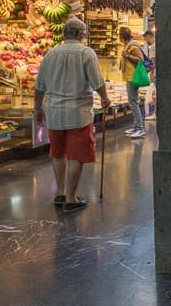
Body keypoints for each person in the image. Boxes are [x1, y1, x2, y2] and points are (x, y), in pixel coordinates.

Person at [34, 18, 111, 212]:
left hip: (54, 111)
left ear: (64, 34)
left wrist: (37, 108)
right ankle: (71, 198)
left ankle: (60, 192)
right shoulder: (86, 53)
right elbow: (97, 81)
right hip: (78, 112)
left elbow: (39, 86)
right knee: (76, 155)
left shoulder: (50, 54)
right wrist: (104, 98)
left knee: (58, 153)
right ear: (81, 34)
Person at [118, 27, 146, 138]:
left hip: (132, 77)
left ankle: (139, 127)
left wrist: (128, 56)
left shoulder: (132, 45)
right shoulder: (128, 45)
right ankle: (136, 126)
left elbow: (141, 59)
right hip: (130, 76)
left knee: (133, 101)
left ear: (122, 36)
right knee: (132, 101)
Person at [142, 30, 156, 119]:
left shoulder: (153, 47)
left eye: (146, 40)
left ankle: (155, 113)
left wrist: (151, 72)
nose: (146, 42)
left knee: (154, 94)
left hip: (155, 73)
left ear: (149, 37)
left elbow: (153, 61)